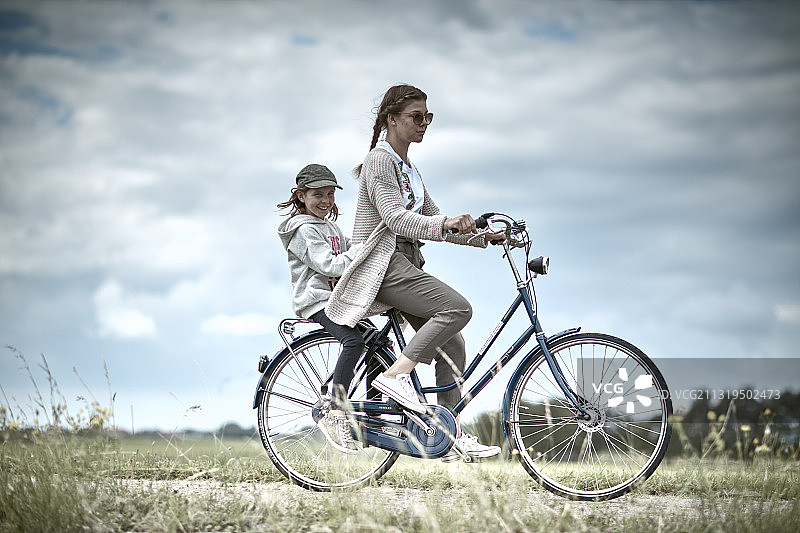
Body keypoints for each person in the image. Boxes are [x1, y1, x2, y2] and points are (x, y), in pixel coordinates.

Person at [325, 84, 505, 462]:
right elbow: (396, 219)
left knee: (452, 346)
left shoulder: (410, 169)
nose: (424, 123)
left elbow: (434, 222)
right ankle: (393, 378)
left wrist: (485, 237)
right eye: (416, 116)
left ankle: (446, 435)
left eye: (428, 117)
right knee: (457, 309)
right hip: (384, 263)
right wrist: (447, 222)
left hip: (406, 262)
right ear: (392, 119)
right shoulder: (379, 161)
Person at [277, 163, 365, 454]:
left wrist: (372, 244)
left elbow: (350, 247)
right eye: (318, 194)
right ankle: (336, 412)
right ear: (301, 195)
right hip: (316, 301)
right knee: (353, 342)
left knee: (378, 343)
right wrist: (358, 253)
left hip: (337, 299)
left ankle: (374, 415)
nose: (326, 201)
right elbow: (329, 263)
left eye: (330, 194)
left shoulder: (330, 226)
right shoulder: (302, 230)